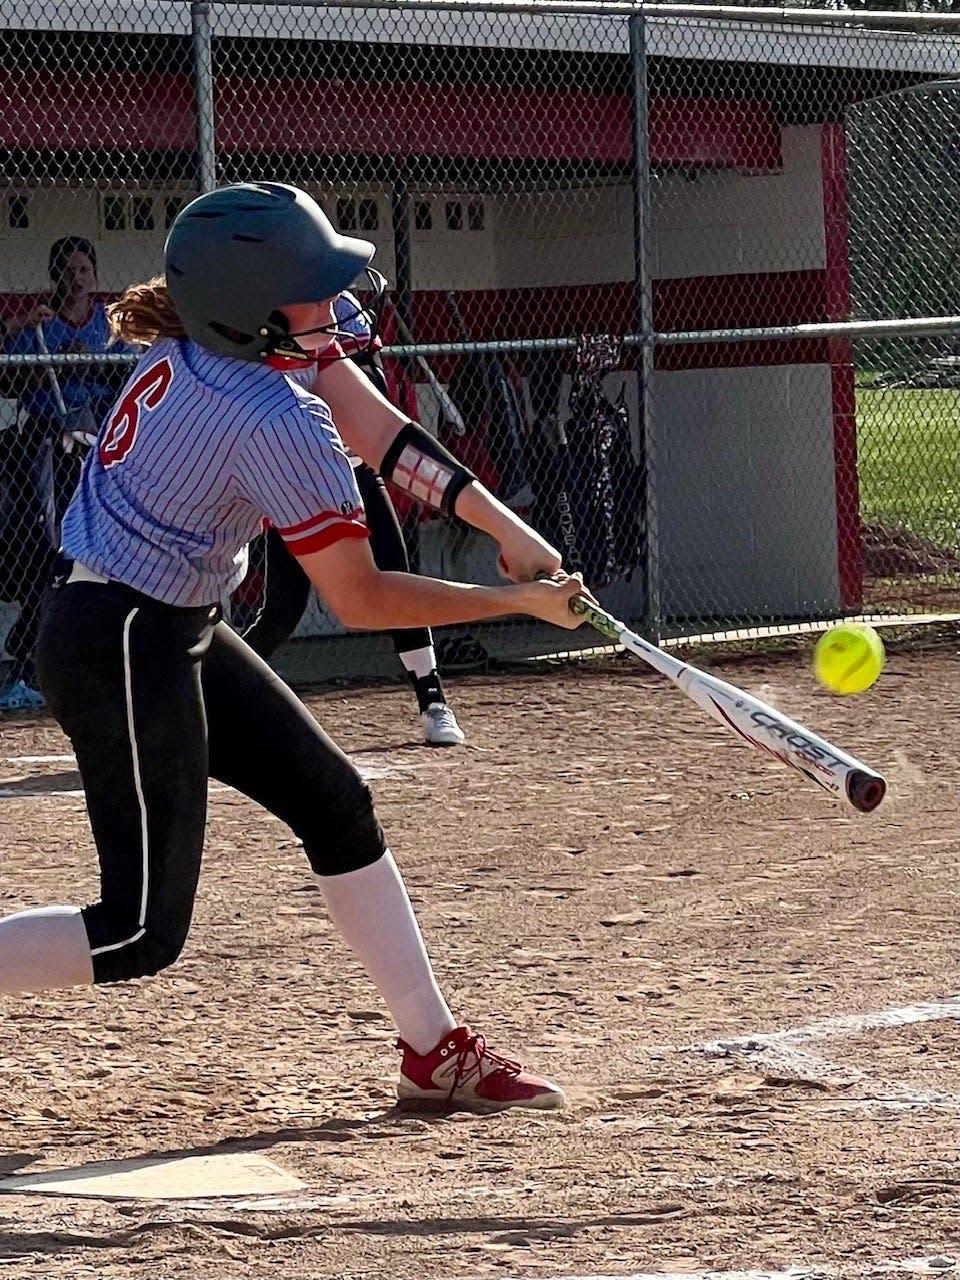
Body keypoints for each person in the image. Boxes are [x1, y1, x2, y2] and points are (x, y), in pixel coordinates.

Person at [0, 183, 590, 1113]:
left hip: (166, 621)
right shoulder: (266, 416)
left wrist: (499, 521)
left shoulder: (231, 338)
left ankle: (432, 1051)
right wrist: (512, 600)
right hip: (117, 640)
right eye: (306, 289)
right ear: (252, 310)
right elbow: (360, 598)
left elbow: (380, 429)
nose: (329, 306)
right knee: (138, 932)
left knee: (336, 803)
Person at [240, 288, 466, 747]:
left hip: (355, 467)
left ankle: (432, 700)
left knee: (395, 574)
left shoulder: (342, 306)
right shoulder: (273, 306)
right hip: (296, 477)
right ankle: (209, 690)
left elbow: (372, 391)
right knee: (285, 608)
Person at [0, 237, 136, 710]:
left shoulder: (109, 325)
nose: (76, 278)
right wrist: (46, 357)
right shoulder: (39, 325)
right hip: (48, 444)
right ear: (55, 275)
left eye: (84, 269)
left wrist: (88, 360)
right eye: (68, 270)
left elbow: (127, 382)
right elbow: (9, 380)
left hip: (97, 445)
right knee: (49, 546)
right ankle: (27, 658)